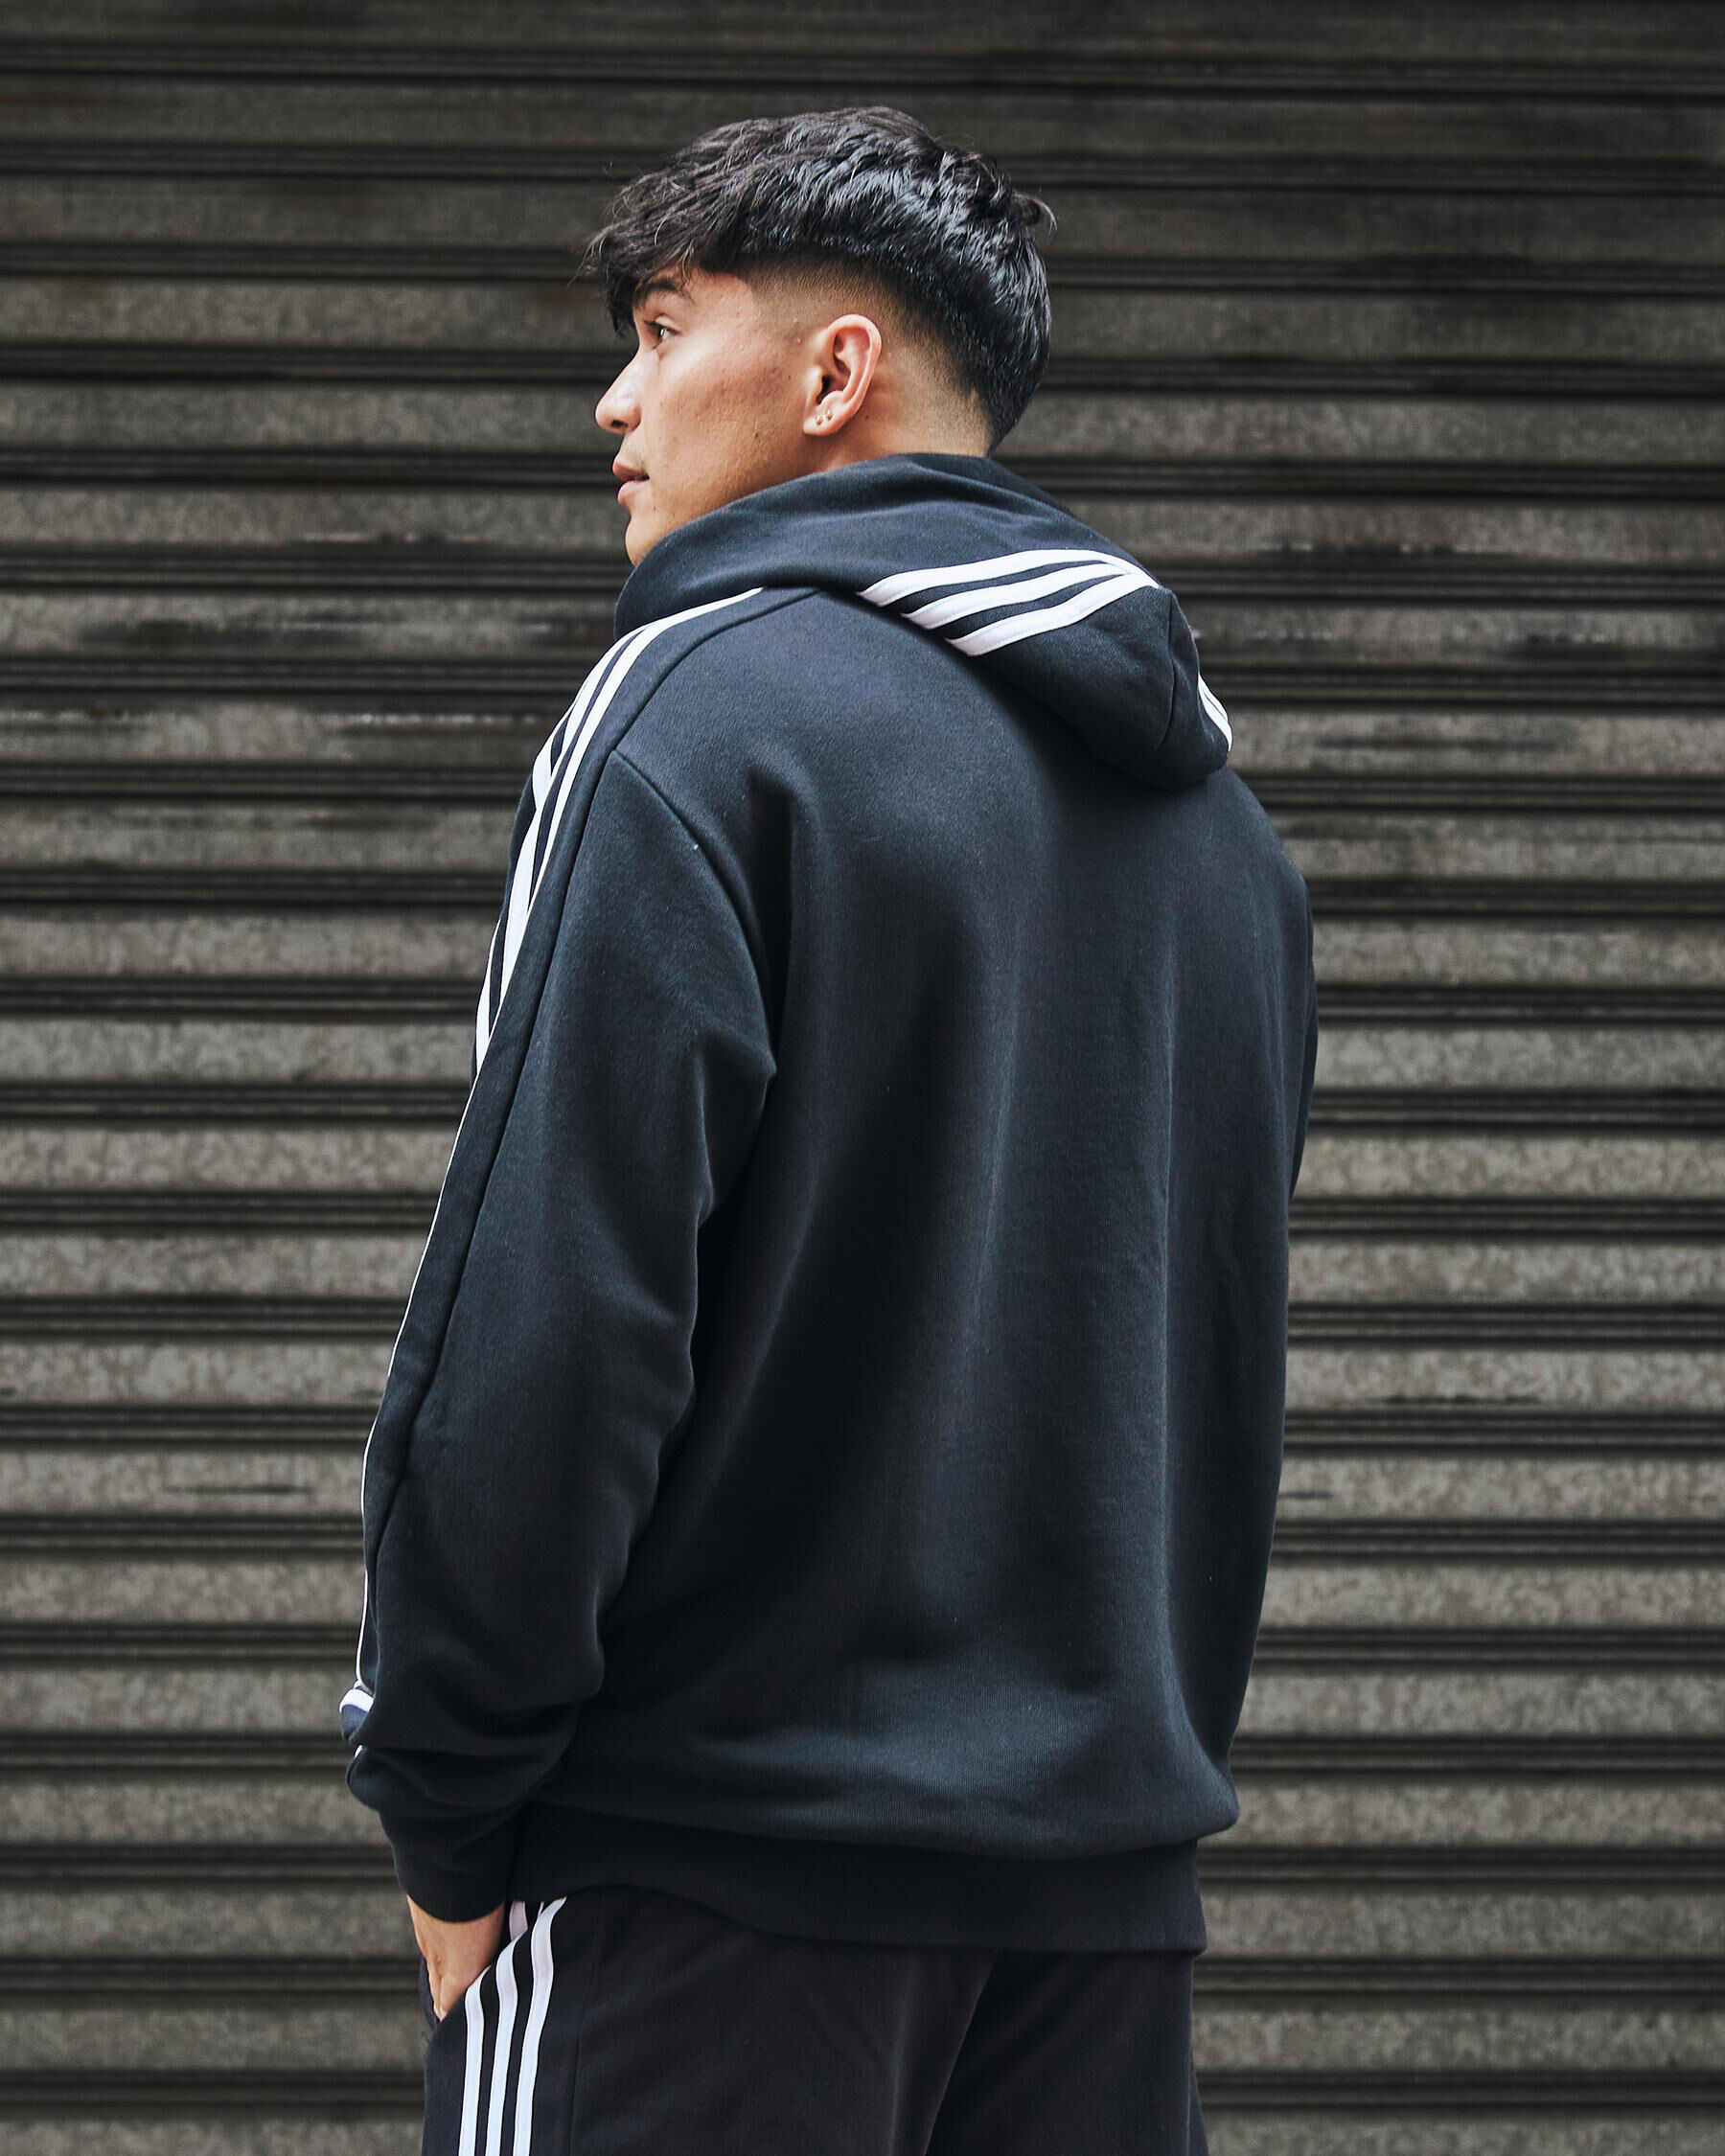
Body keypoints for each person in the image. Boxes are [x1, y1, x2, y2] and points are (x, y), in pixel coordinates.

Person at [338, 103, 1318, 2155]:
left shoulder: (699, 712)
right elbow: (1209, 1366)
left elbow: (549, 1323)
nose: (615, 404)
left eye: (659, 330)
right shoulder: (1221, 841)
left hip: (704, 1890)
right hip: (1097, 1922)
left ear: (833, 369)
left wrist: (448, 1805)